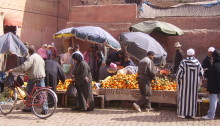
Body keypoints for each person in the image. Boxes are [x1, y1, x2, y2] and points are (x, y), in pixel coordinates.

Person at [9, 46, 46, 112]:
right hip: (41, 76)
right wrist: (28, 71)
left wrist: (13, 70)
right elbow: (37, 66)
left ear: (29, 52)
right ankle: (45, 108)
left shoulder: (31, 58)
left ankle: (28, 106)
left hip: (33, 77)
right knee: (42, 92)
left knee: (29, 91)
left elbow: (24, 67)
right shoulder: (39, 57)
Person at [176, 48, 203, 119]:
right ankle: (192, 114)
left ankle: (182, 113)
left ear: (187, 54)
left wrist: (178, 80)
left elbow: (179, 73)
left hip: (184, 84)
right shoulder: (197, 62)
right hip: (194, 84)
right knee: (193, 98)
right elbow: (201, 72)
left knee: (183, 98)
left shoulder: (183, 62)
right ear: (193, 54)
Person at [202, 50, 220, 120]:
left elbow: (211, 79)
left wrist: (209, 88)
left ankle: (211, 115)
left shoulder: (214, 66)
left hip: (214, 87)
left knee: (213, 101)